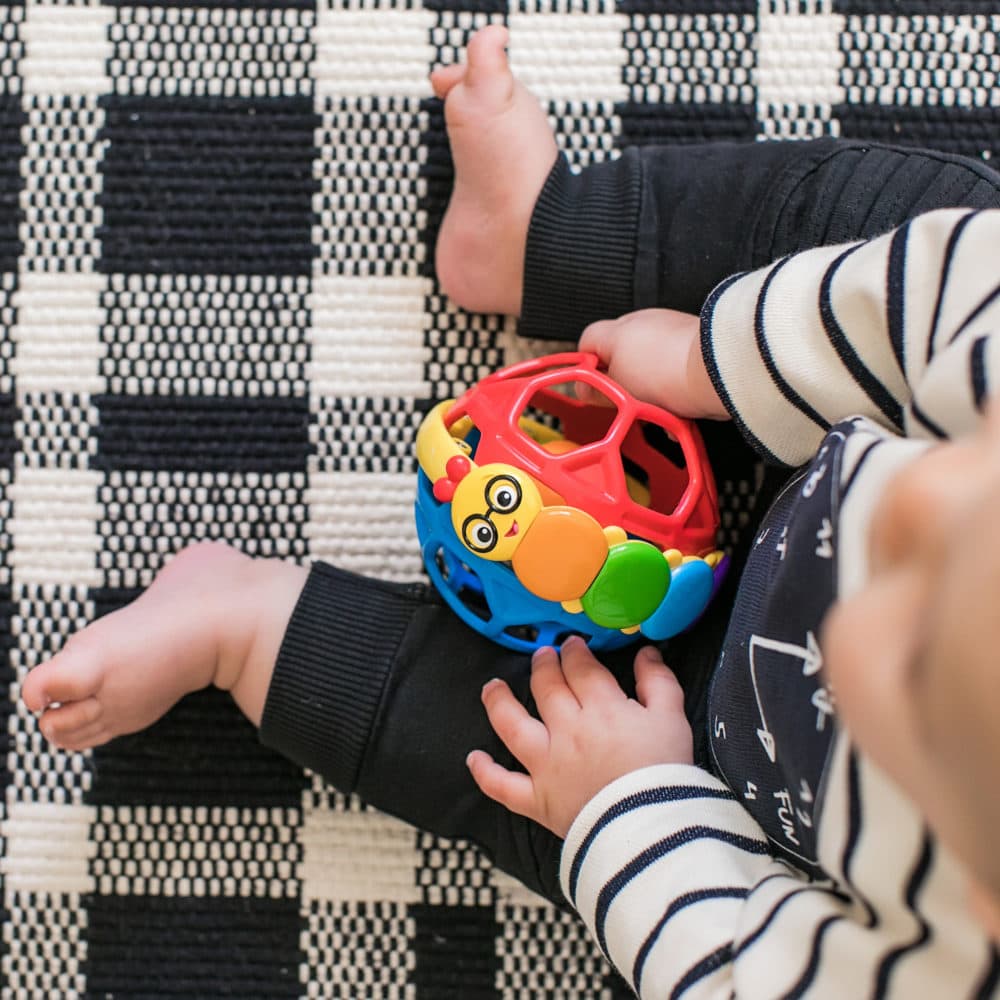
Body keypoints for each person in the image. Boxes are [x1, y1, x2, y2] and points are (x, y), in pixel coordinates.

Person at [20, 24, 1000, 998]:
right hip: (872, 389)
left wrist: (630, 800)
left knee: (539, 789)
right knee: (932, 229)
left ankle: (246, 630)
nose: (908, 520)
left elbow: (741, 973)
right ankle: (550, 232)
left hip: (724, 760)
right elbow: (924, 304)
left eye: (913, 657)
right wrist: (715, 360)